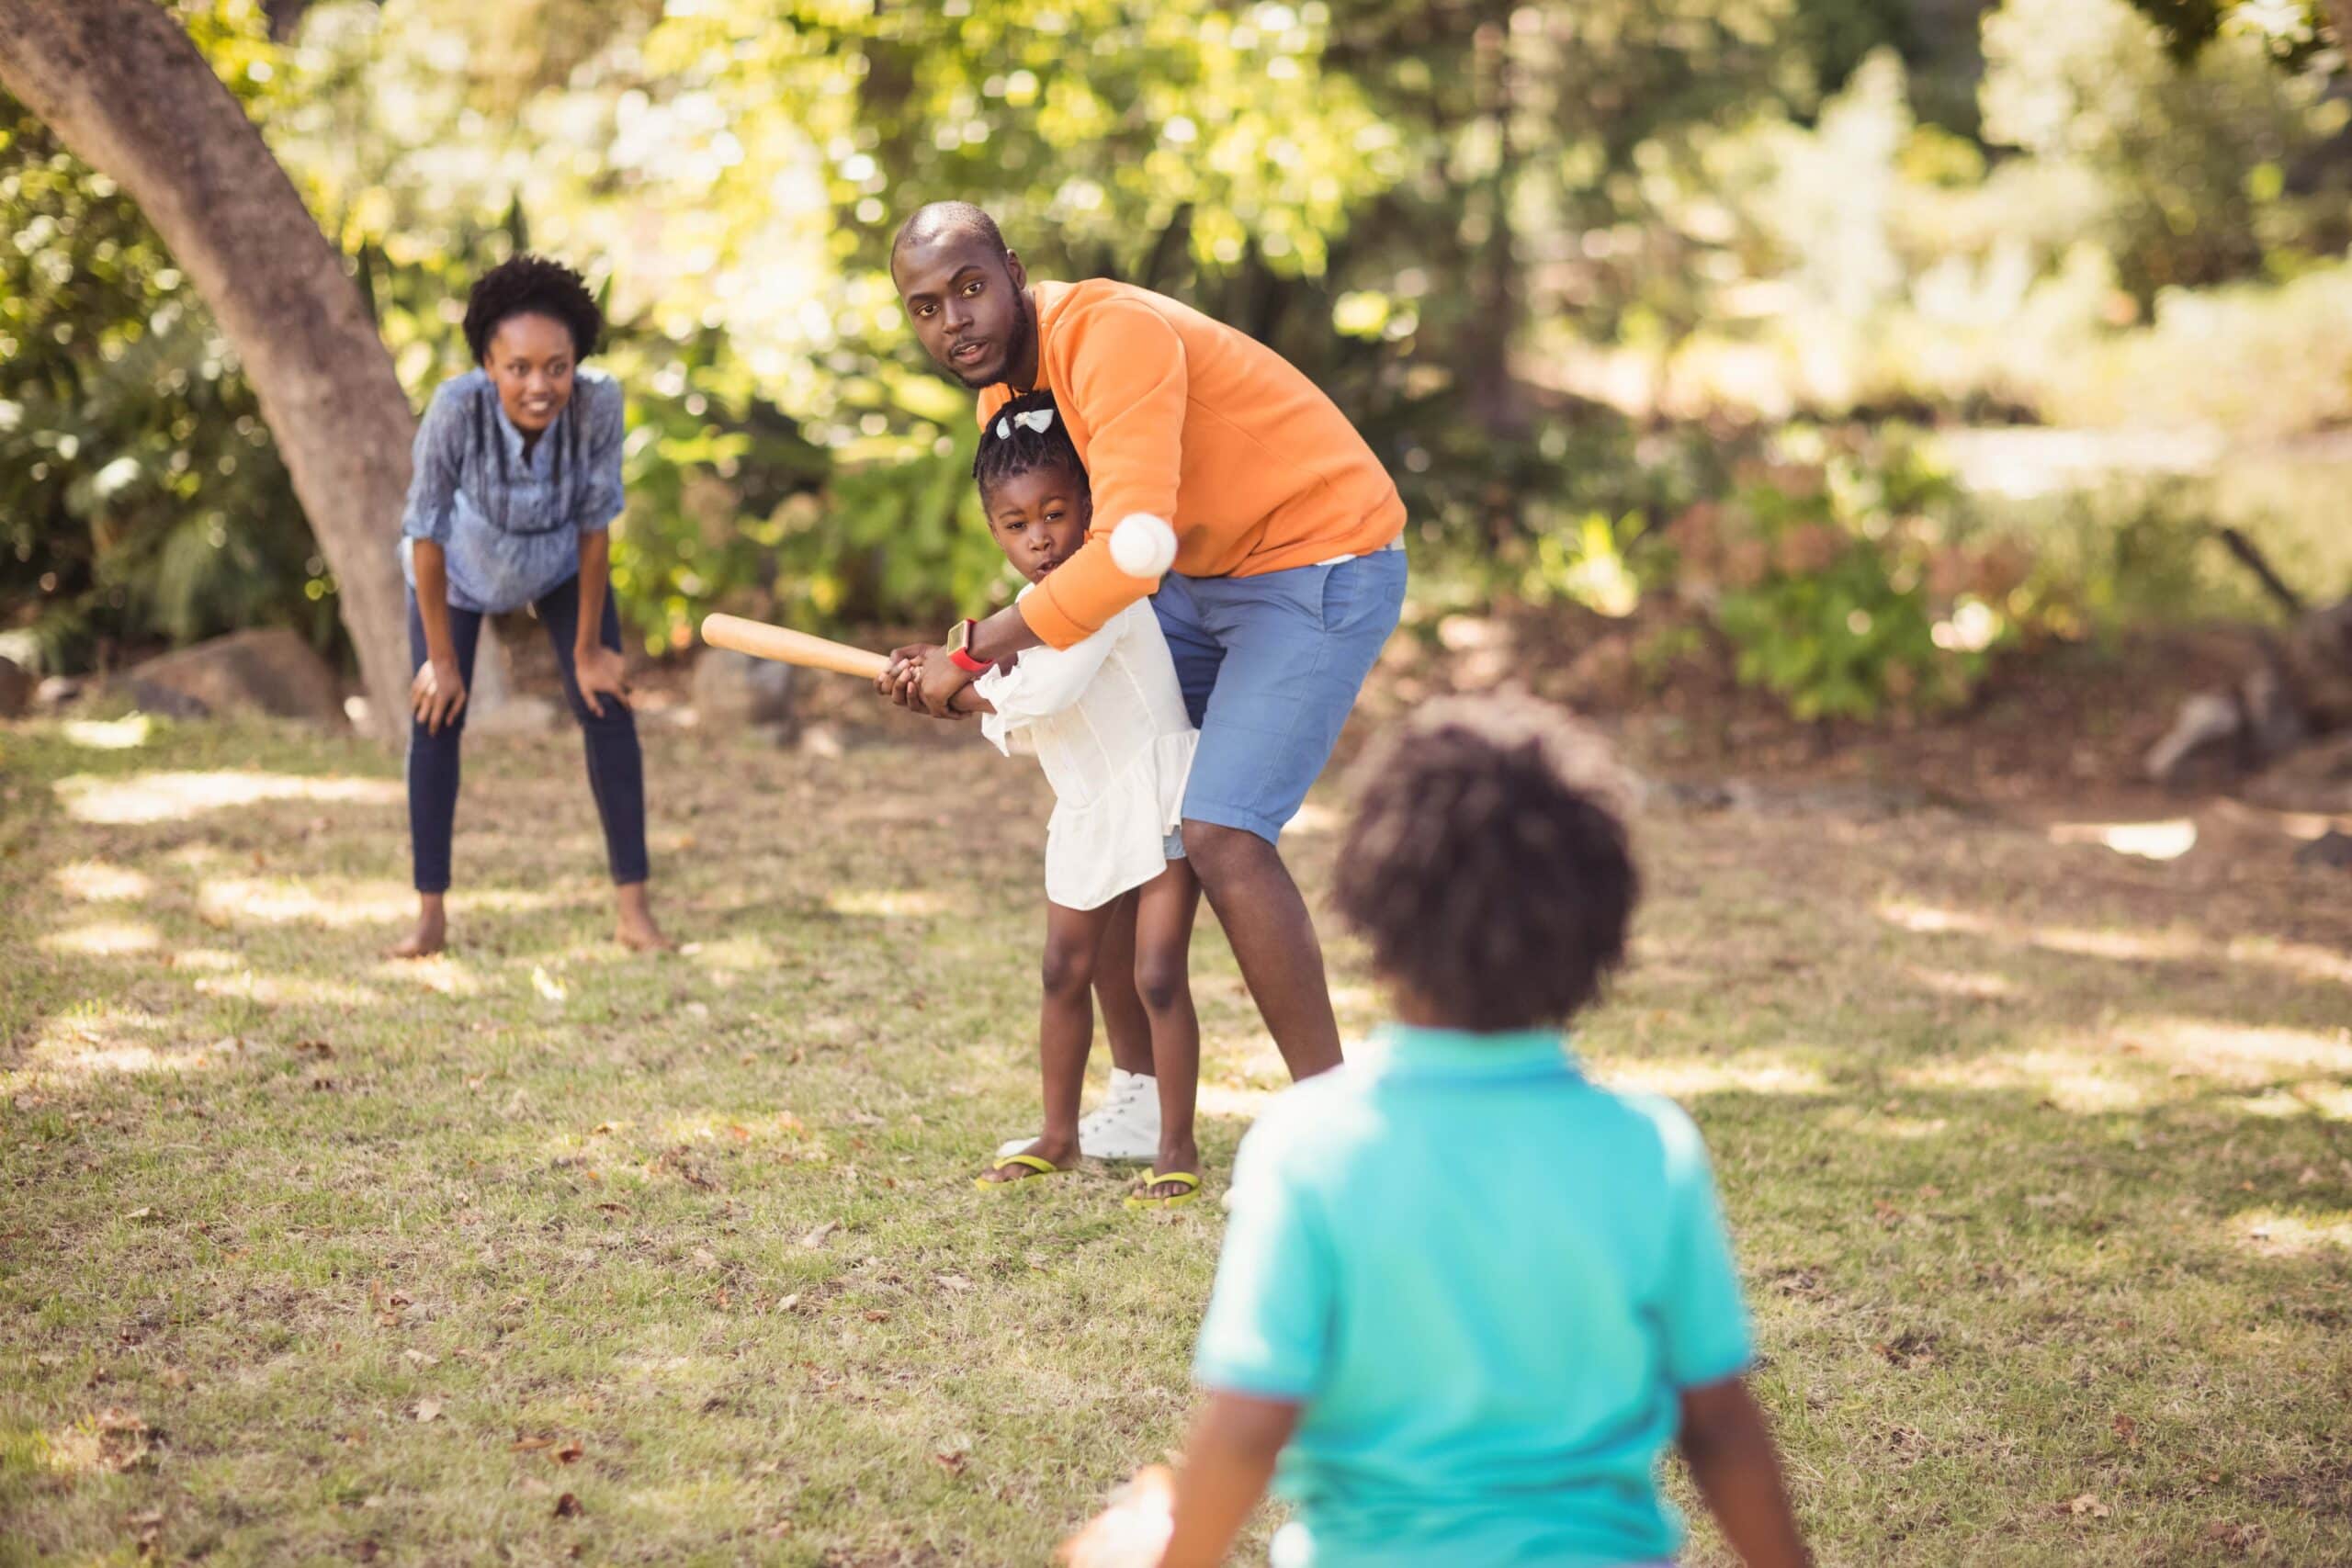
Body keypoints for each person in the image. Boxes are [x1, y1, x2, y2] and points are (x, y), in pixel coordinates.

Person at [1063, 696, 1812, 1568]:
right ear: (1600, 936)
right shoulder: (1650, 1149)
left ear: (1376, 918)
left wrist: (1163, 1549)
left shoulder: (1310, 1145)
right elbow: (1719, 1424)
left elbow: (1248, 1425)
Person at [885, 202, 1407, 1095]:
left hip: (1317, 557)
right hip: (1191, 578)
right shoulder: (1002, 400)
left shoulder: (1107, 335)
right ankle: (1135, 1102)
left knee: (1219, 829)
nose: (954, 320)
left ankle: (1332, 1117)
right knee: (1118, 800)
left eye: (970, 288)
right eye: (926, 306)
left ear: (1013, 271)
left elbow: (1128, 553)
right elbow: (1066, 580)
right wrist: (976, 671)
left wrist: (974, 654)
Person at [884, 391, 1204, 1207]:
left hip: (1160, 795)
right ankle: (1058, 1136)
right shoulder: (1028, 615)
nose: (1040, 538)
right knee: (1064, 967)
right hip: (1092, 807)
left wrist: (953, 688)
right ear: (996, 529)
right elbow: (1020, 700)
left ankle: (1177, 1147)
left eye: (1057, 514)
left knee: (1159, 972)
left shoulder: (1103, 593)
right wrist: (948, 676)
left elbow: (1043, 690)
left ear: (1089, 507)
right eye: (1017, 524)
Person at [391, 254, 671, 958]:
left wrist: (586, 652)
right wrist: (445, 662)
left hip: (557, 564)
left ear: (576, 361)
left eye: (556, 366)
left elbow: (595, 525)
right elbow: (424, 533)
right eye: (518, 367)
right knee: (436, 717)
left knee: (607, 707)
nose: (539, 384)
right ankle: (430, 917)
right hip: (459, 568)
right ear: (489, 363)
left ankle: (633, 913)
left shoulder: (600, 403)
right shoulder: (456, 409)